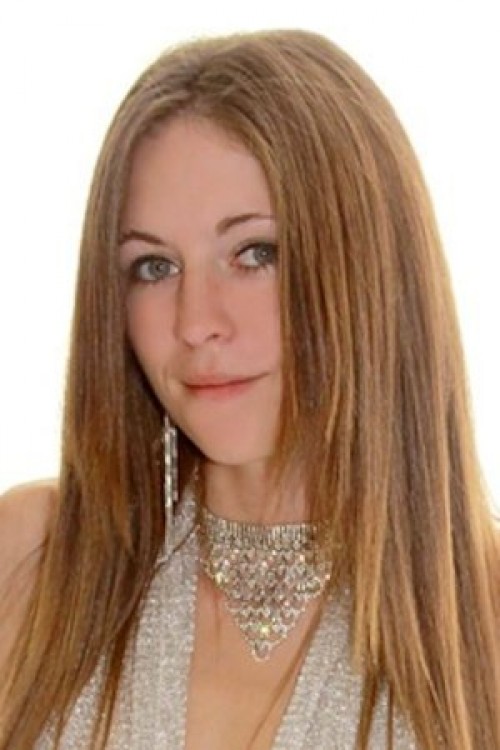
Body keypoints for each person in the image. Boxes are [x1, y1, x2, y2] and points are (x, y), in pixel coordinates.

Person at [0, 28, 499, 750]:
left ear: (369, 267)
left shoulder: (480, 627)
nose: (196, 322)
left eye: (255, 253)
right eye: (154, 267)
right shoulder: (32, 563)